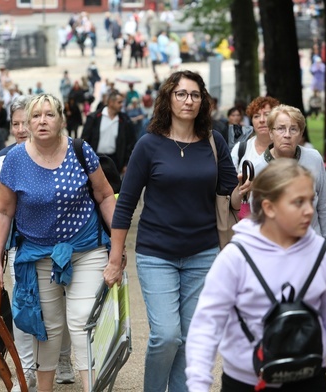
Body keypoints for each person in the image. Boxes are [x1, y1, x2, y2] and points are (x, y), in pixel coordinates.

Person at [105, 70, 244, 392]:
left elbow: (228, 195)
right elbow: (125, 204)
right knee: (166, 335)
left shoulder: (214, 141)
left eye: (195, 95)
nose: (189, 100)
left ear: (203, 101)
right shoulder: (149, 145)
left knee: (191, 336)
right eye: (181, 94)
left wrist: (242, 190)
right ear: (168, 98)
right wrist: (115, 258)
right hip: (157, 254)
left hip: (204, 252)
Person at [0, 93, 117, 392]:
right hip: (38, 253)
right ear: (27, 123)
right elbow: (4, 210)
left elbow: (105, 195)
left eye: (49, 115)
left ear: (61, 119)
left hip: (86, 248)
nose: (42, 121)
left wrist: (118, 247)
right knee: (48, 329)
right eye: (36, 116)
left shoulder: (79, 150)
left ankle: (92, 388)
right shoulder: (15, 159)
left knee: (81, 321)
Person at [186, 159, 326, 391]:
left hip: (309, 379)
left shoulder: (324, 254)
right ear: (269, 207)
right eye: (298, 202)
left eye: (310, 200)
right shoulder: (235, 257)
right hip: (246, 382)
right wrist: (198, 385)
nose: (309, 210)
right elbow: (206, 326)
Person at [252, 105, 326, 250]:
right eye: (280, 128)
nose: (287, 134)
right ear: (271, 133)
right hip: (276, 252)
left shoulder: (314, 158)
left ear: (300, 134)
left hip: (313, 250)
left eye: (293, 129)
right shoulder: (258, 168)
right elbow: (257, 219)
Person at [81, 90, 136, 174]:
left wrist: (126, 163)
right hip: (95, 160)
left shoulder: (125, 120)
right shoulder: (94, 118)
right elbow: (84, 140)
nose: (122, 105)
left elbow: (130, 143)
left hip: (115, 162)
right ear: (111, 102)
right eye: (119, 102)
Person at [230, 96, 280, 172]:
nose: (261, 120)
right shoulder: (240, 149)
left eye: (267, 115)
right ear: (252, 121)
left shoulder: (285, 148)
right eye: (256, 116)